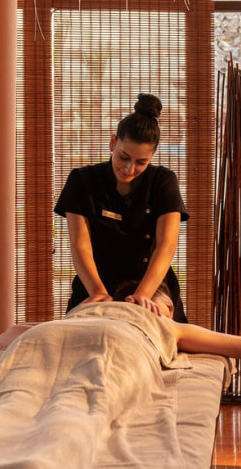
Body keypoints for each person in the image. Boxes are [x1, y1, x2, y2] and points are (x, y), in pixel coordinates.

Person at [54, 93, 190, 320]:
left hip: (151, 286)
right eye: (124, 157)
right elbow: (81, 246)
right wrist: (97, 292)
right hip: (95, 284)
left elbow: (166, 245)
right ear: (112, 142)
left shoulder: (163, 181)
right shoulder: (82, 181)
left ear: (152, 156)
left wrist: (141, 297)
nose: (129, 168)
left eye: (141, 162)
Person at [0, 282, 241, 359]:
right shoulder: (94, 310)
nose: (166, 312)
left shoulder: (166, 328)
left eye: (169, 310)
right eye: (166, 305)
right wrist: (81, 312)